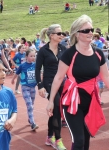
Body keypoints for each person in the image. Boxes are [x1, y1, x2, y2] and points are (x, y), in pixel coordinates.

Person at [46, 15, 107, 150]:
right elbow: (58, 78)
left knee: (86, 141)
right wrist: (50, 101)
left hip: (91, 101)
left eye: (91, 29)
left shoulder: (98, 54)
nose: (90, 32)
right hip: (73, 102)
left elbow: (106, 78)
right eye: (85, 30)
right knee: (78, 141)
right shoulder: (69, 54)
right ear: (77, 34)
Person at [35, 24, 67, 150]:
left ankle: (49, 136)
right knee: (58, 108)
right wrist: (40, 86)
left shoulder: (63, 49)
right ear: (51, 35)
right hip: (49, 83)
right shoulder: (43, 51)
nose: (62, 35)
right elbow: (37, 69)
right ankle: (58, 139)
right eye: (59, 33)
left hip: (62, 83)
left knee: (55, 111)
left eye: (62, 33)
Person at [11, 49, 39, 130]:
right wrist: (13, 79)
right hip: (25, 87)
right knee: (29, 104)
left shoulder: (36, 65)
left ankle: (30, 119)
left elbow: (38, 74)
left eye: (34, 56)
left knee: (32, 105)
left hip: (33, 87)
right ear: (26, 57)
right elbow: (17, 73)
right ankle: (33, 123)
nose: (33, 57)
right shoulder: (22, 66)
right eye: (31, 56)